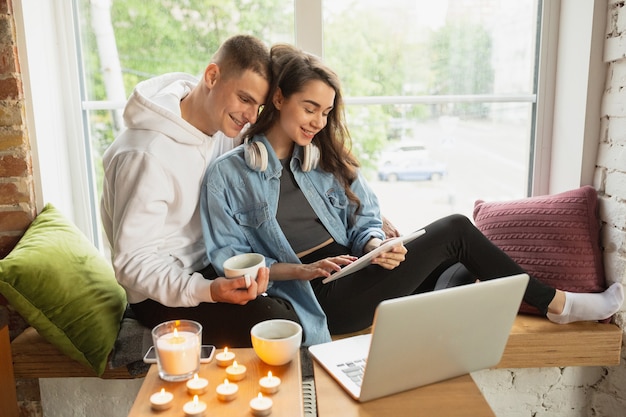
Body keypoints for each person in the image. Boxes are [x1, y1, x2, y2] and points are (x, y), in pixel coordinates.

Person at [200, 43, 624, 345]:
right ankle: (560, 304)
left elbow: (366, 215)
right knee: (457, 230)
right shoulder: (228, 174)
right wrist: (302, 271)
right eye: (309, 107)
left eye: (326, 113)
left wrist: (374, 244)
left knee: (453, 269)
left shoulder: (321, 158)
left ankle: (482, 299)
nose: (317, 121)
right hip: (316, 294)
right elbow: (230, 262)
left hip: (356, 271)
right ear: (278, 98)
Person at [101, 35, 306, 347]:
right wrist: (208, 291)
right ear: (212, 76)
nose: (251, 117)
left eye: (259, 106)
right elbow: (133, 263)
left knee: (308, 299)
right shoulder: (145, 154)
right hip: (160, 295)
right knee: (283, 327)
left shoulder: (220, 126)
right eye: (245, 99)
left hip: (212, 262)